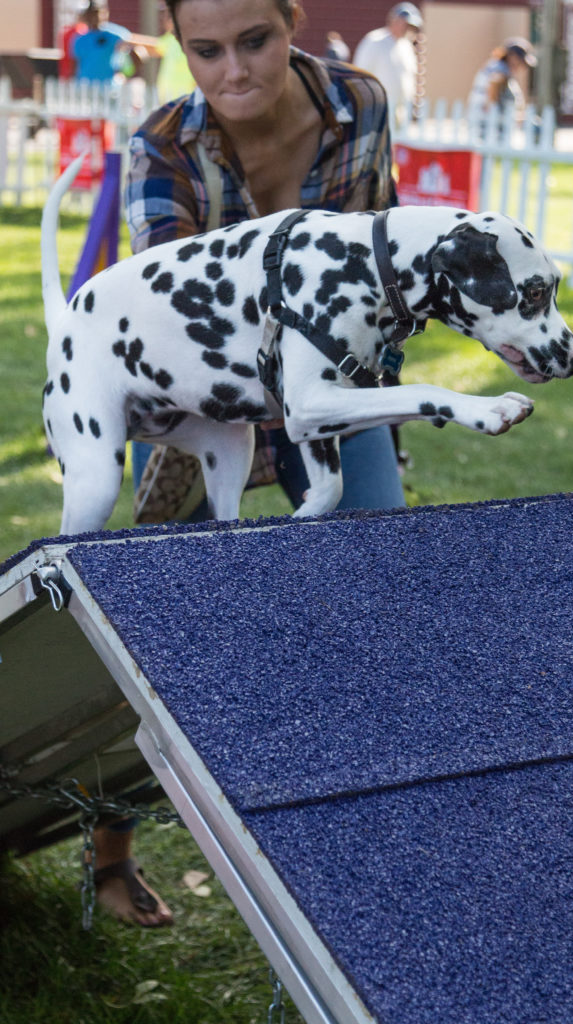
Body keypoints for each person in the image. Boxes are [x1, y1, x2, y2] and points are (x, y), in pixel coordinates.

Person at [98, 0, 406, 927]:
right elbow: (175, 318)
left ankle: (371, 850)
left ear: (293, 22)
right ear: (182, 49)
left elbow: (374, 263)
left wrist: (362, 393)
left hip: (339, 393)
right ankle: (107, 853)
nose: (233, 70)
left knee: (379, 606)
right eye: (205, 50)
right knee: (157, 636)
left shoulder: (359, 103)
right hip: (208, 413)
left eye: (256, 40)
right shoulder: (160, 146)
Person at [352, 2, 423, 132]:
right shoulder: (374, 41)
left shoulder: (406, 47)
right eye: (405, 24)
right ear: (394, 20)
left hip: (400, 113)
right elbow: (359, 75)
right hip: (377, 111)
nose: (407, 28)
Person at [71, 0, 160, 85]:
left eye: (96, 12)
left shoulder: (113, 35)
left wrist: (125, 74)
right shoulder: (79, 39)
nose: (93, 16)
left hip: (107, 88)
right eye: (90, 13)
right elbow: (75, 65)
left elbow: (138, 48)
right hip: (85, 87)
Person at [467, 36, 537, 127]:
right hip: (487, 122)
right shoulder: (500, 69)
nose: (521, 66)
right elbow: (494, 83)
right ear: (512, 56)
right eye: (521, 61)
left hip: (485, 121)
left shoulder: (499, 67)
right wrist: (493, 111)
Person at [155, 4, 195, 103]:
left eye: (168, 15)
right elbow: (154, 46)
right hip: (167, 99)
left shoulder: (191, 40)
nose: (163, 19)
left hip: (186, 99)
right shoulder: (170, 38)